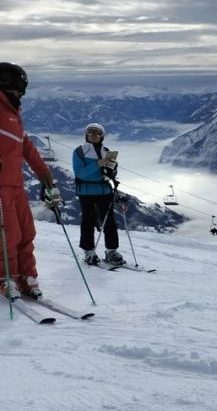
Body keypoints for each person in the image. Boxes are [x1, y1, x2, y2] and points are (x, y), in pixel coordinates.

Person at [0, 62, 62, 300]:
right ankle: (7, 278)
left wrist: (44, 174)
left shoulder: (14, 114)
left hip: (16, 185)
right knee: (8, 234)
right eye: (19, 88)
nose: (21, 94)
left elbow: (28, 148)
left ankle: (28, 276)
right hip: (1, 185)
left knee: (27, 232)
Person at [72, 122, 125, 266]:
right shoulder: (79, 152)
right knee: (88, 222)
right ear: (86, 134)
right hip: (87, 191)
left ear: (102, 136)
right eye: (91, 132)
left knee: (110, 223)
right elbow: (80, 173)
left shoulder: (106, 151)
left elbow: (110, 174)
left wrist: (112, 170)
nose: (94, 135)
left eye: (97, 133)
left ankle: (111, 251)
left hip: (103, 190)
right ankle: (89, 251)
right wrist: (98, 164)